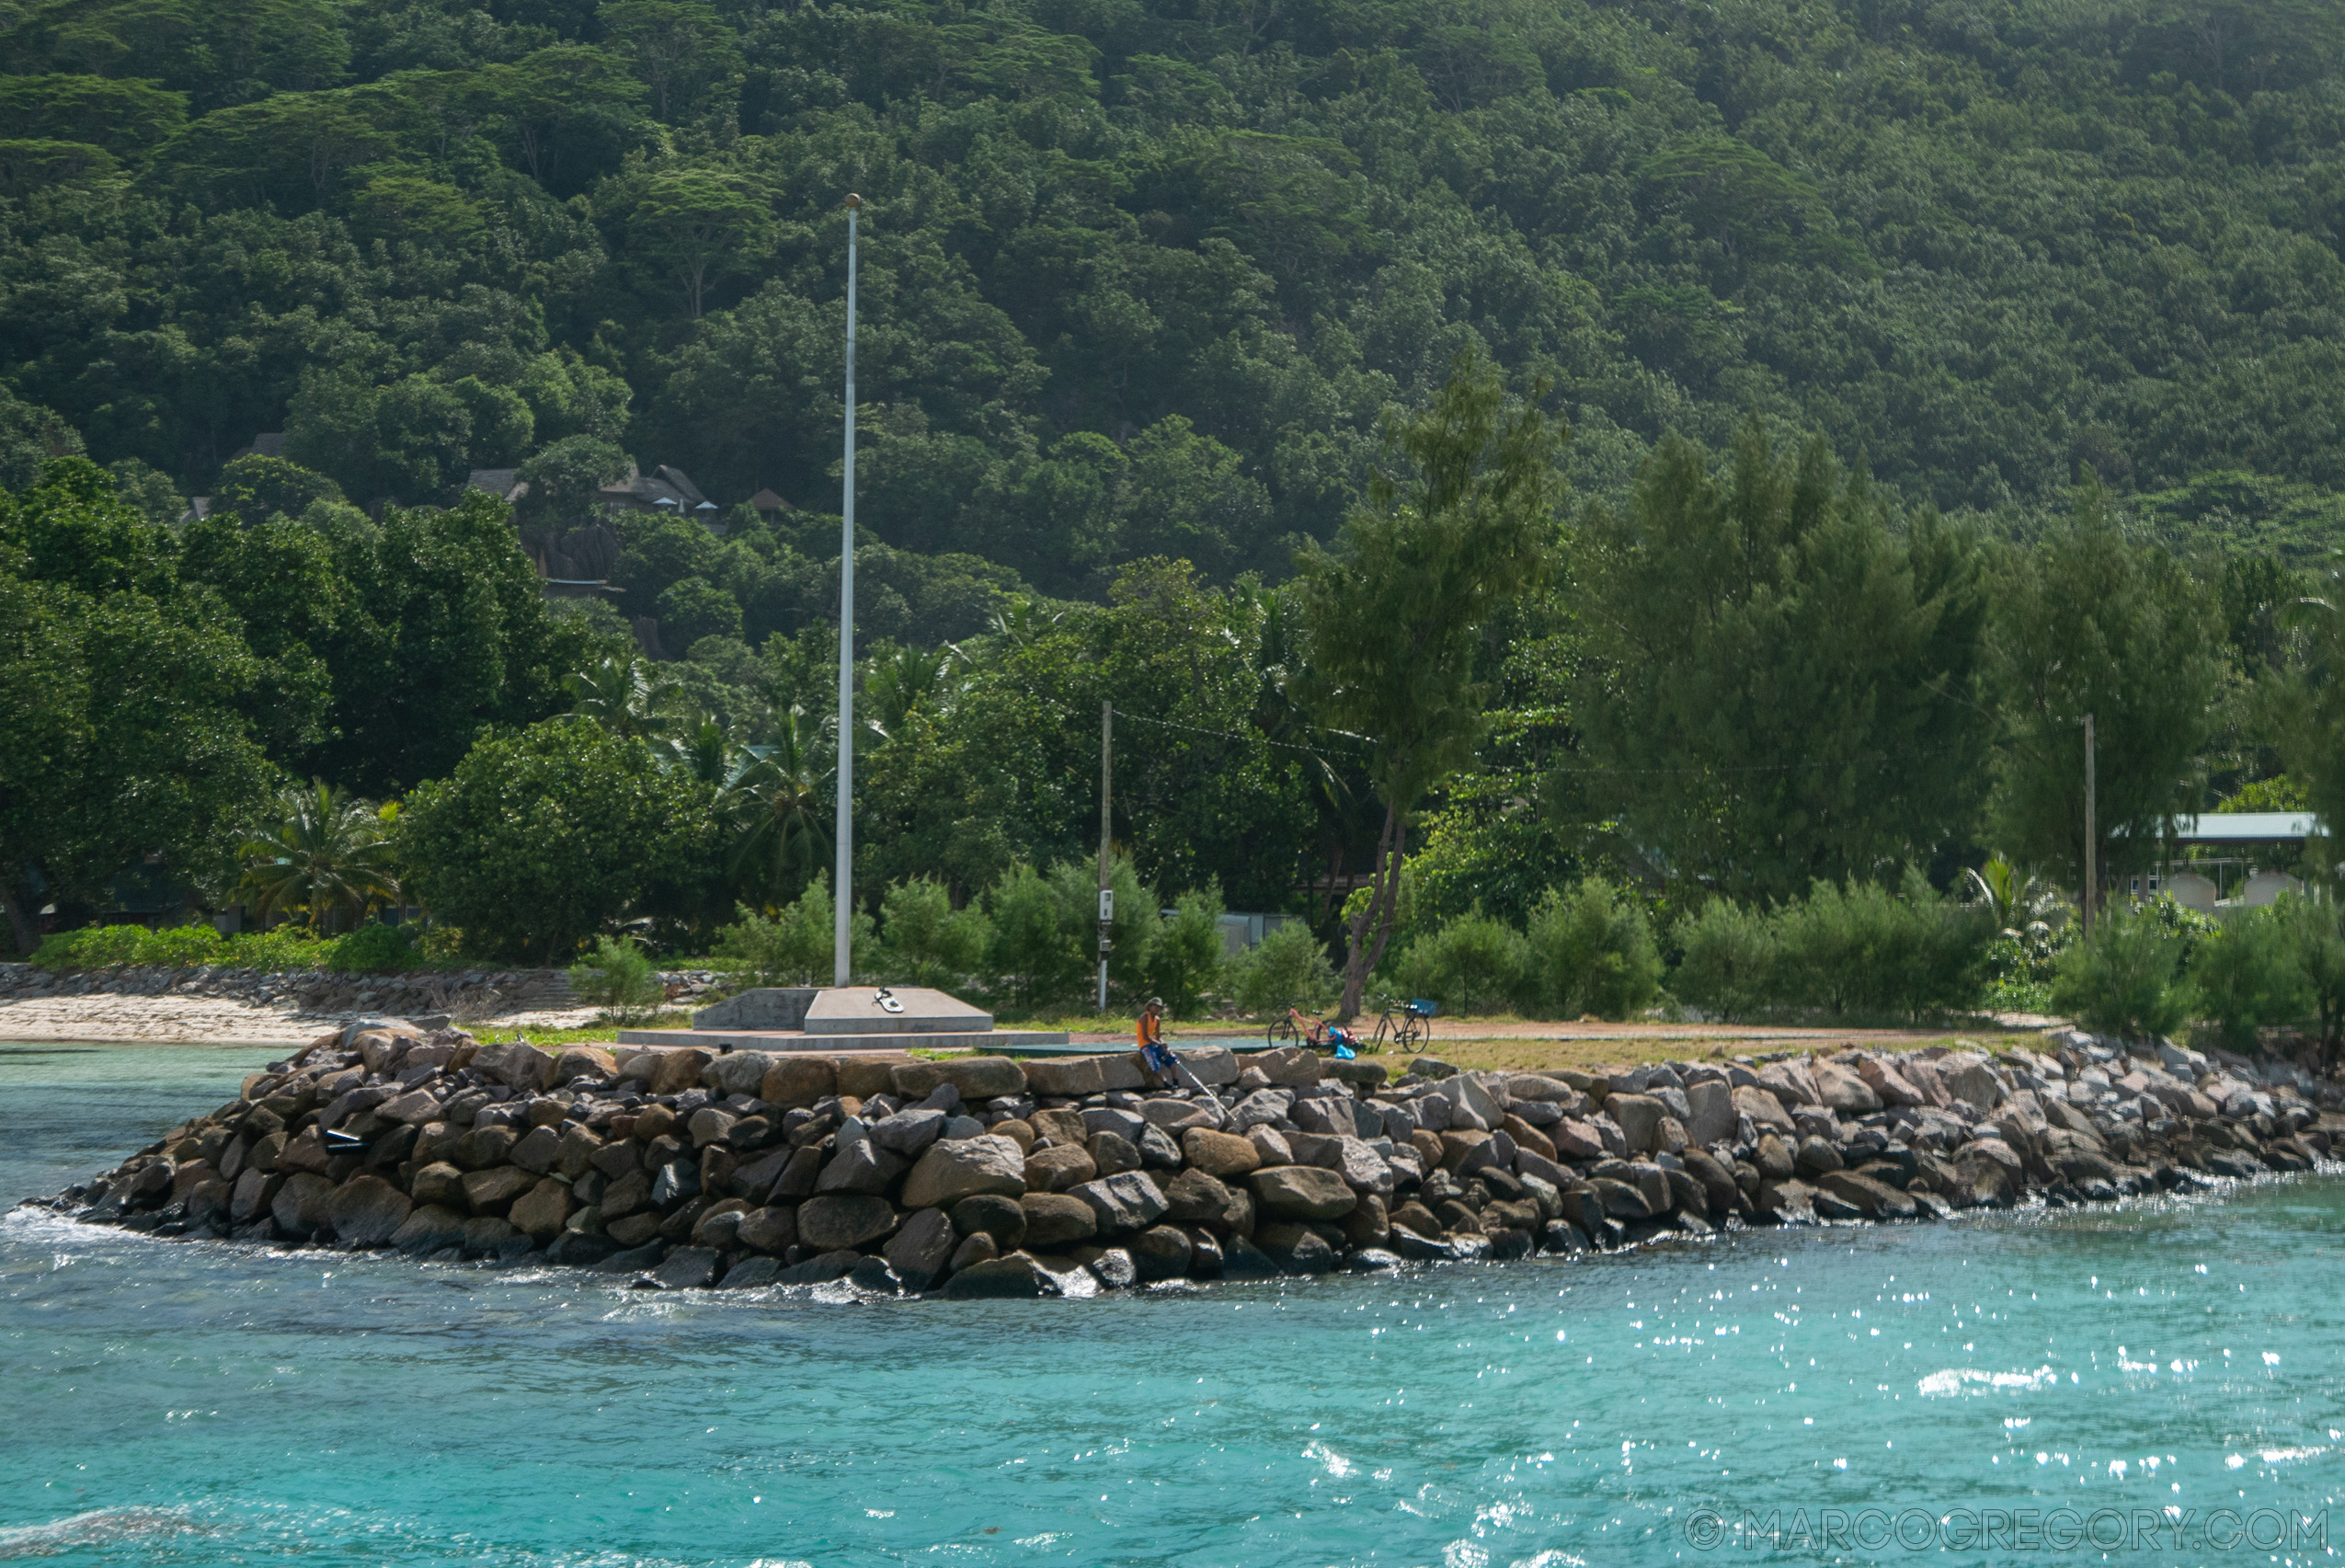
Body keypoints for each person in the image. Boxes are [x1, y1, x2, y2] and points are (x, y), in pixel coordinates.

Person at [1138, 996, 1180, 1086]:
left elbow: (1158, 1036)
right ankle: (1165, 1082)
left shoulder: (1157, 1019)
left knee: (1171, 1058)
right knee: (1153, 1061)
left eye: (1159, 1007)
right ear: (1150, 1007)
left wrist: (1164, 1046)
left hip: (1154, 1044)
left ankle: (1175, 1081)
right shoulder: (1144, 1017)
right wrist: (1159, 1044)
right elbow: (1145, 1037)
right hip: (1145, 1045)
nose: (1157, 1009)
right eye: (1155, 1006)